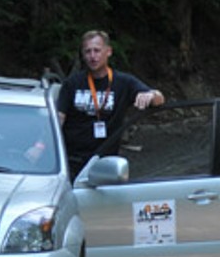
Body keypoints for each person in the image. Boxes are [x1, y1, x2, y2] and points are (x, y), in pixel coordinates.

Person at [55, 30, 164, 178]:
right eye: (88, 52)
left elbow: (160, 99)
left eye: (97, 51)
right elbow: (58, 118)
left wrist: (151, 95)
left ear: (108, 52)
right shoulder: (72, 83)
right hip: (72, 160)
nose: (93, 56)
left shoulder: (124, 82)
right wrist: (41, 146)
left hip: (105, 162)